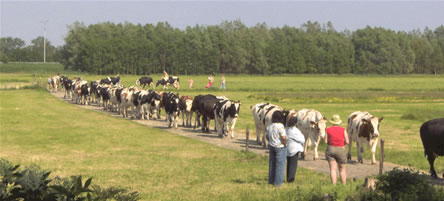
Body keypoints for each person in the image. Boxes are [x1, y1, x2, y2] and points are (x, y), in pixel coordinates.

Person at [324, 114, 349, 185]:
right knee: (342, 169)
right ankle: (344, 185)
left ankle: (333, 185)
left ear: (332, 122)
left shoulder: (328, 129)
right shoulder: (343, 130)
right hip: (341, 149)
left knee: (333, 169)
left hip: (330, 149)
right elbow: (347, 141)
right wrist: (342, 143)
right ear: (339, 122)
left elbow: (325, 141)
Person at [266, 111, 287, 187]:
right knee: (280, 165)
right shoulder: (280, 126)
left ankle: (271, 181)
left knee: (272, 164)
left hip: (271, 146)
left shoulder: (270, 126)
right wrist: (285, 143)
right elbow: (284, 137)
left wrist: (270, 141)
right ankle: (278, 183)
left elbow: (267, 136)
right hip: (280, 146)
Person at [286, 117, 305, 182]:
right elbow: (302, 140)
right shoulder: (295, 130)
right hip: (294, 149)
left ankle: (288, 177)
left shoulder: (287, 129)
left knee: (289, 164)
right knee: (293, 165)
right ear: (296, 123)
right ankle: (291, 179)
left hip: (288, 148)